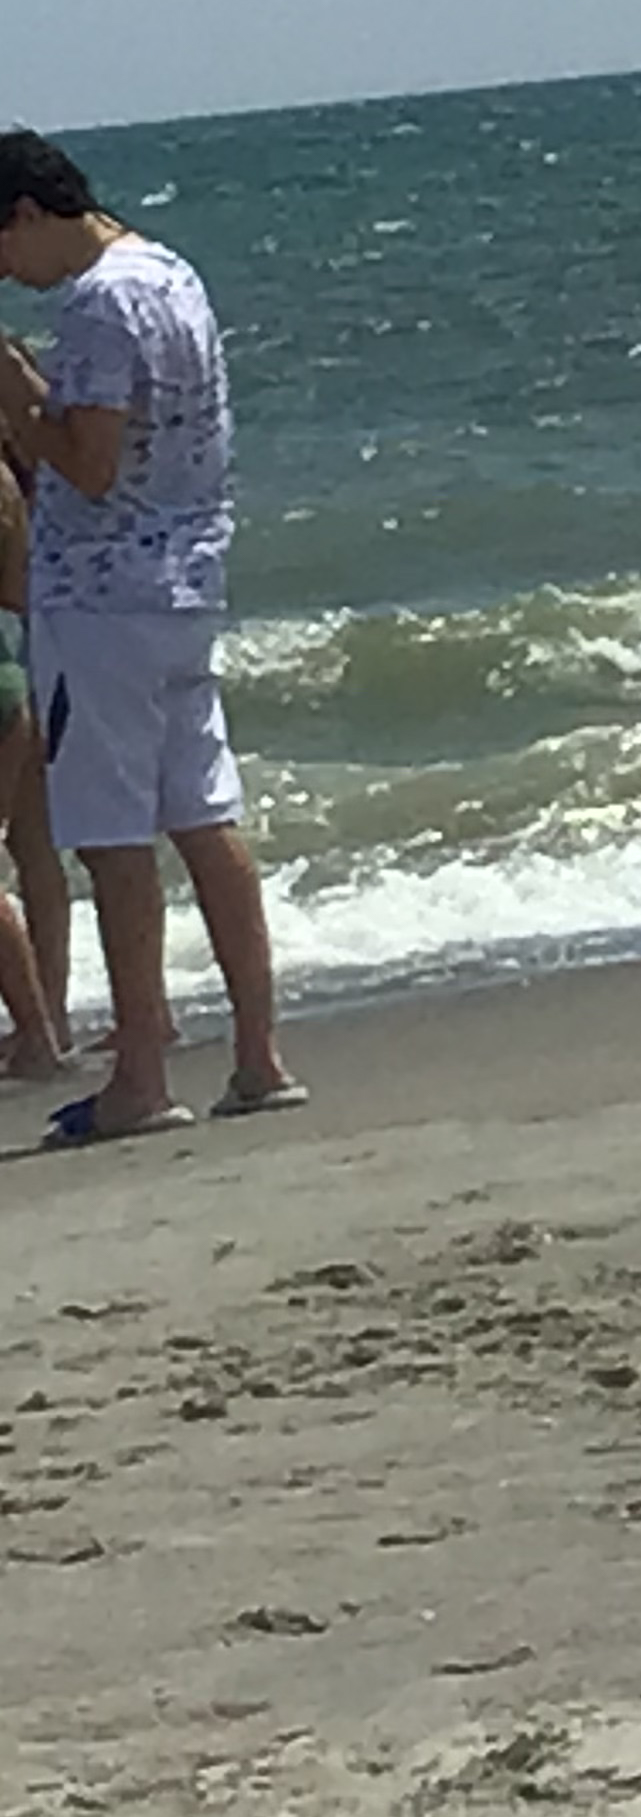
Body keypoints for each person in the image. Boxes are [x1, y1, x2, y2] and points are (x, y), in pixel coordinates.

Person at [0, 129, 300, 1143]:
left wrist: (12, 385)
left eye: (4, 247)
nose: (9, 270)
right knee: (204, 816)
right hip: (182, 579)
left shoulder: (96, 300)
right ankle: (257, 1055)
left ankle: (139, 1075)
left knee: (113, 837)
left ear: (32, 215)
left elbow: (83, 463)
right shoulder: (171, 274)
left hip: (101, 596)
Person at [0, 455, 72, 1076]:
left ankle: (37, 1031)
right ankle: (48, 1019)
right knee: (35, 850)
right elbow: (20, 592)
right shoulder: (14, 481)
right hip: (23, 667)